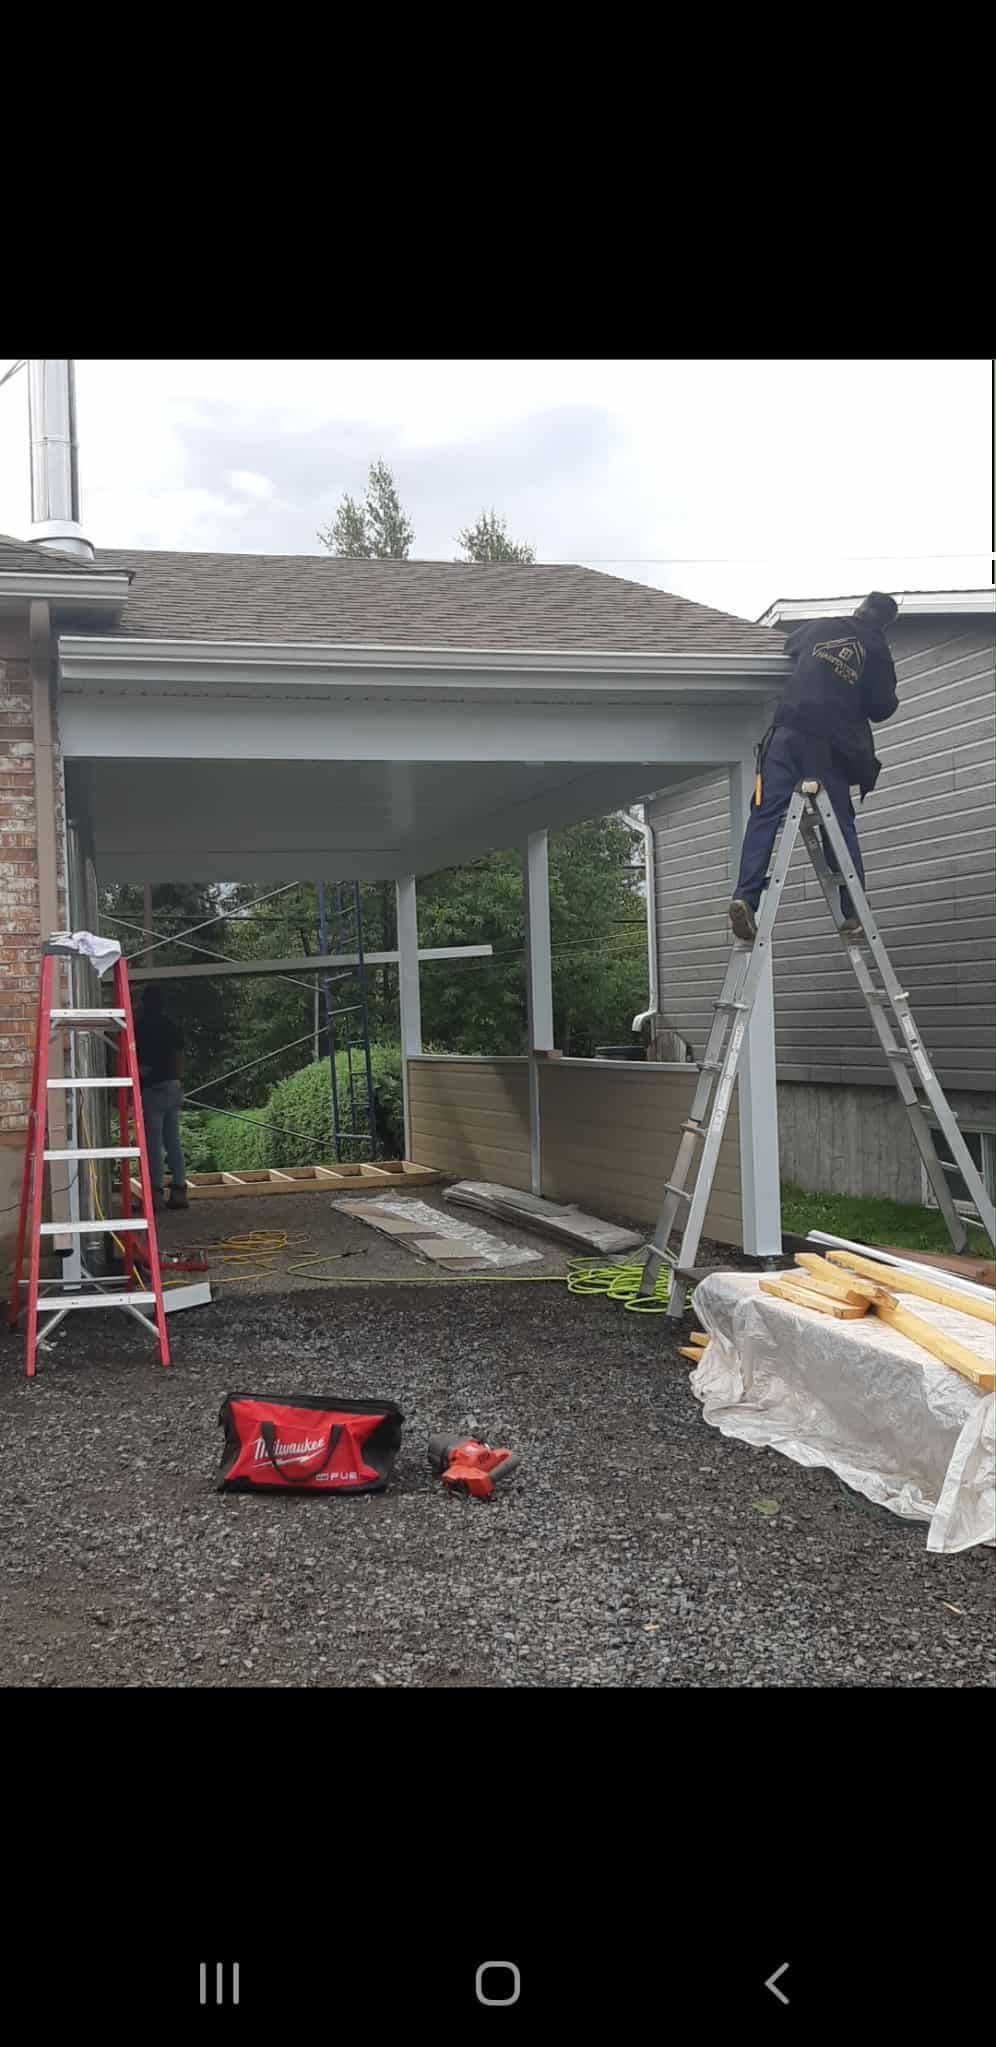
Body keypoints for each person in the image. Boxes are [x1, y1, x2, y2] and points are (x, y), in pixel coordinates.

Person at [729, 591, 900, 944]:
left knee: (764, 815)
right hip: (827, 743)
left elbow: (790, 648)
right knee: (837, 821)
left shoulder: (821, 626)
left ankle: (745, 897)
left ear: (858, 609)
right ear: (884, 624)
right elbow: (882, 707)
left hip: (783, 734)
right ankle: (854, 913)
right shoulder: (877, 650)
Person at [135, 985, 189, 1210]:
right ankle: (179, 1191)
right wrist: (178, 1083)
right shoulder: (171, 1026)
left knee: (153, 1145)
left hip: (151, 1088)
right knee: (173, 1141)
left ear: (144, 1004)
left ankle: (155, 1195)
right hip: (171, 1086)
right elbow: (179, 1057)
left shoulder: (139, 1027)